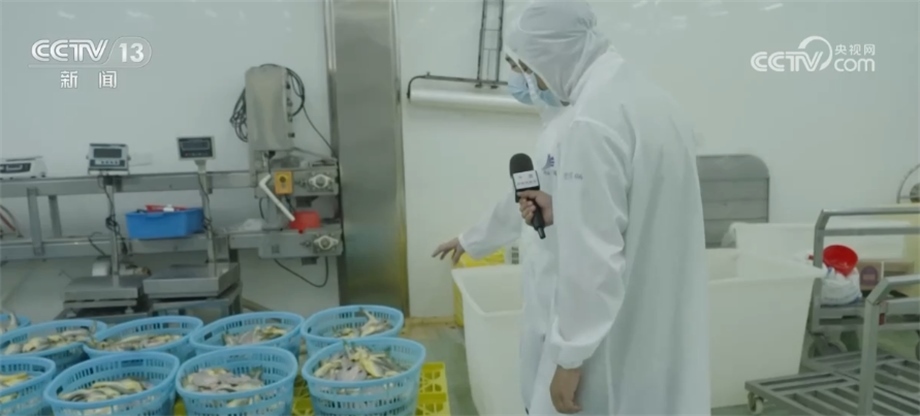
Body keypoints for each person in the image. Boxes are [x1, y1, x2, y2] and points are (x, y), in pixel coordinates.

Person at [509, 1, 711, 414]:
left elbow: (594, 258)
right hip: (663, 327)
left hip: (612, 341)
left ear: (552, 53)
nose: (534, 81)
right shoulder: (654, 101)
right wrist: (566, 210)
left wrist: (570, 356)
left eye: (530, 69)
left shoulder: (591, 121)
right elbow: (635, 210)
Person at [432, 54, 570, 413]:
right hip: (544, 282)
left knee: (558, 390)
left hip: (567, 288)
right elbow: (521, 202)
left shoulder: (577, 129)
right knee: (537, 382)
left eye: (517, 66)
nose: (514, 77)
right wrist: (469, 239)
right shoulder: (553, 129)